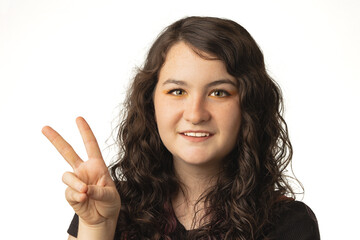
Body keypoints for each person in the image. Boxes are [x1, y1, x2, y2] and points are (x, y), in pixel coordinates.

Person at [42, 16, 320, 240]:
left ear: (249, 106)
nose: (196, 114)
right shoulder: (109, 204)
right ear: (151, 103)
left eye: (219, 93)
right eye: (177, 91)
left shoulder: (288, 223)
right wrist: (97, 228)